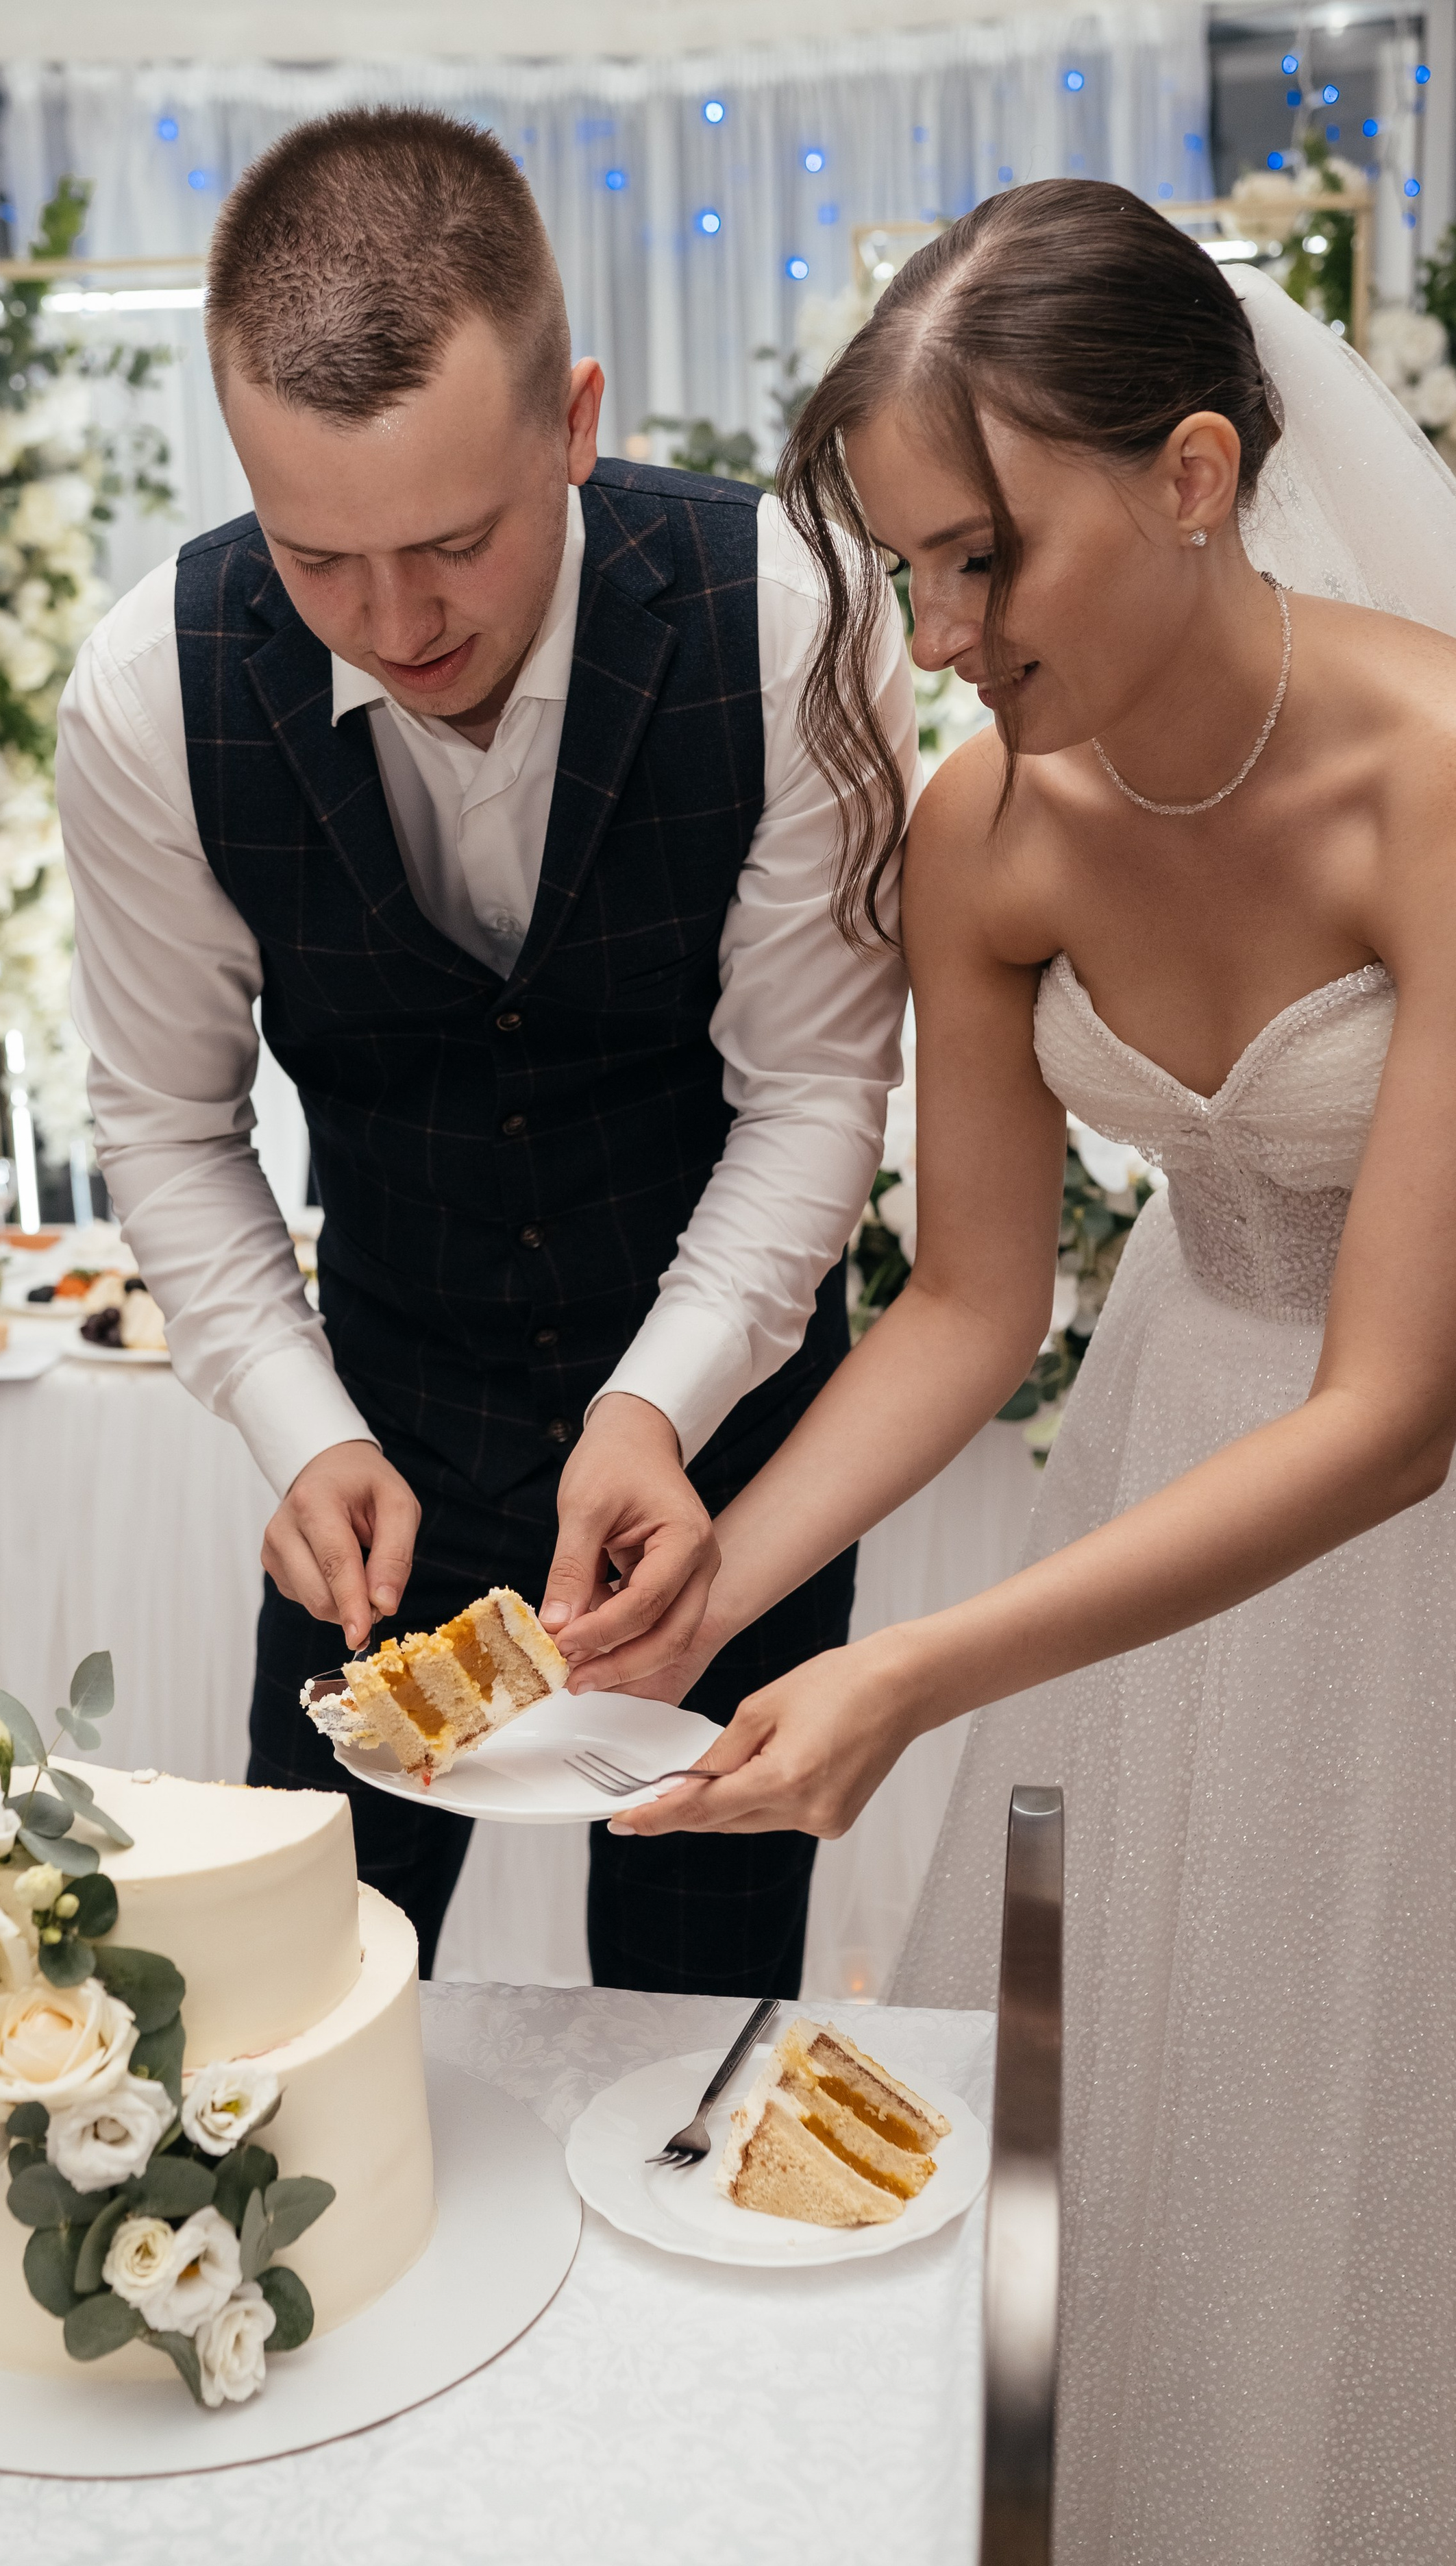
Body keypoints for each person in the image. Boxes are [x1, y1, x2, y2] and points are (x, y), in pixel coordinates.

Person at [567, 182, 1456, 2566]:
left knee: (1381, 2117)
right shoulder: (986, 824)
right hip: (1170, 1453)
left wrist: (924, 1664)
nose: (942, 642)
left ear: (1192, 474)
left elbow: (1399, 1410)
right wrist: (722, 1581)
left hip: (1408, 1522)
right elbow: (968, 1305)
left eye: (986, 563)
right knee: (1150, 2128)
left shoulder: (1441, 774)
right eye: (905, 574)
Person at [57, 106, 917, 1995]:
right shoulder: (148, 697)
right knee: (305, 1995)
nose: (393, 621)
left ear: (575, 421)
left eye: (452, 541)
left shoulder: (789, 625)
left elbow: (815, 1093)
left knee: (704, 2016)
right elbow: (169, 1120)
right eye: (318, 559)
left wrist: (654, 1403)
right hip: (389, 1435)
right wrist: (305, 1429)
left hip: (729, 1453)